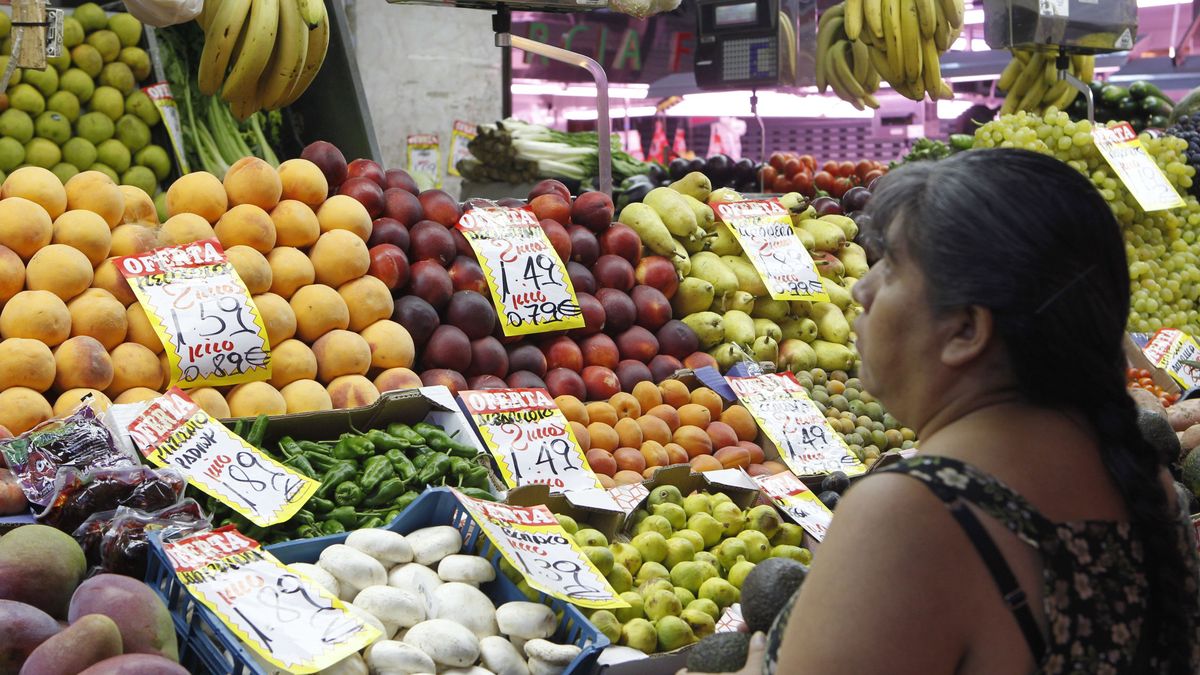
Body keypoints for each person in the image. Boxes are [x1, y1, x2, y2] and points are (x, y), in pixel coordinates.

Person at [686, 148, 1200, 675]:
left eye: (891, 268)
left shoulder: (913, 512)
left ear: (966, 331)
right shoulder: (1144, 484)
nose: (861, 287)